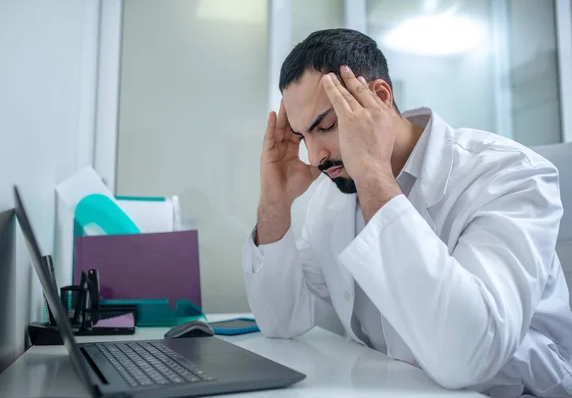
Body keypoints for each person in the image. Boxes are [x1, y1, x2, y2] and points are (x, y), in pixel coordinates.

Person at [241, 28, 572, 397]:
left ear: (379, 97)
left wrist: (373, 177)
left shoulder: (508, 175)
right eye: (305, 137)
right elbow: (282, 319)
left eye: (327, 126)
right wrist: (275, 204)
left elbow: (469, 354)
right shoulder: (334, 196)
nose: (316, 157)